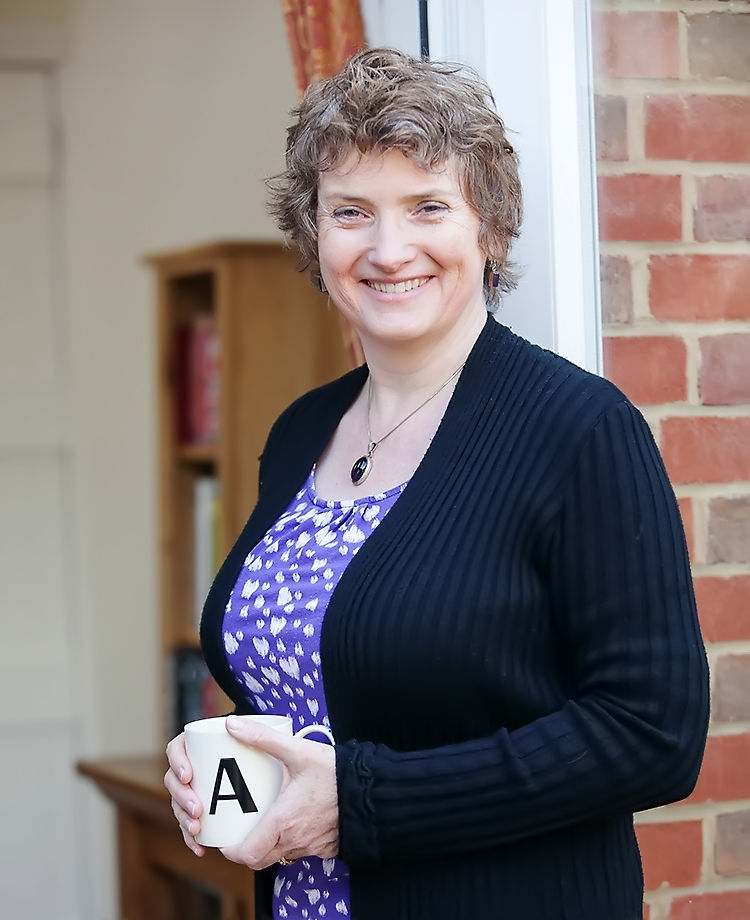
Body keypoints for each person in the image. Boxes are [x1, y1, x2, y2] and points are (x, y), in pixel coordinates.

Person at [165, 48, 709, 920]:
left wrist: (364, 803)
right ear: (315, 233)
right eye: (351, 211)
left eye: (428, 207)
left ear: (489, 229)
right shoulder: (301, 430)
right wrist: (223, 769)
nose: (388, 249)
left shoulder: (580, 431)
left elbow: (652, 734)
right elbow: (316, 678)